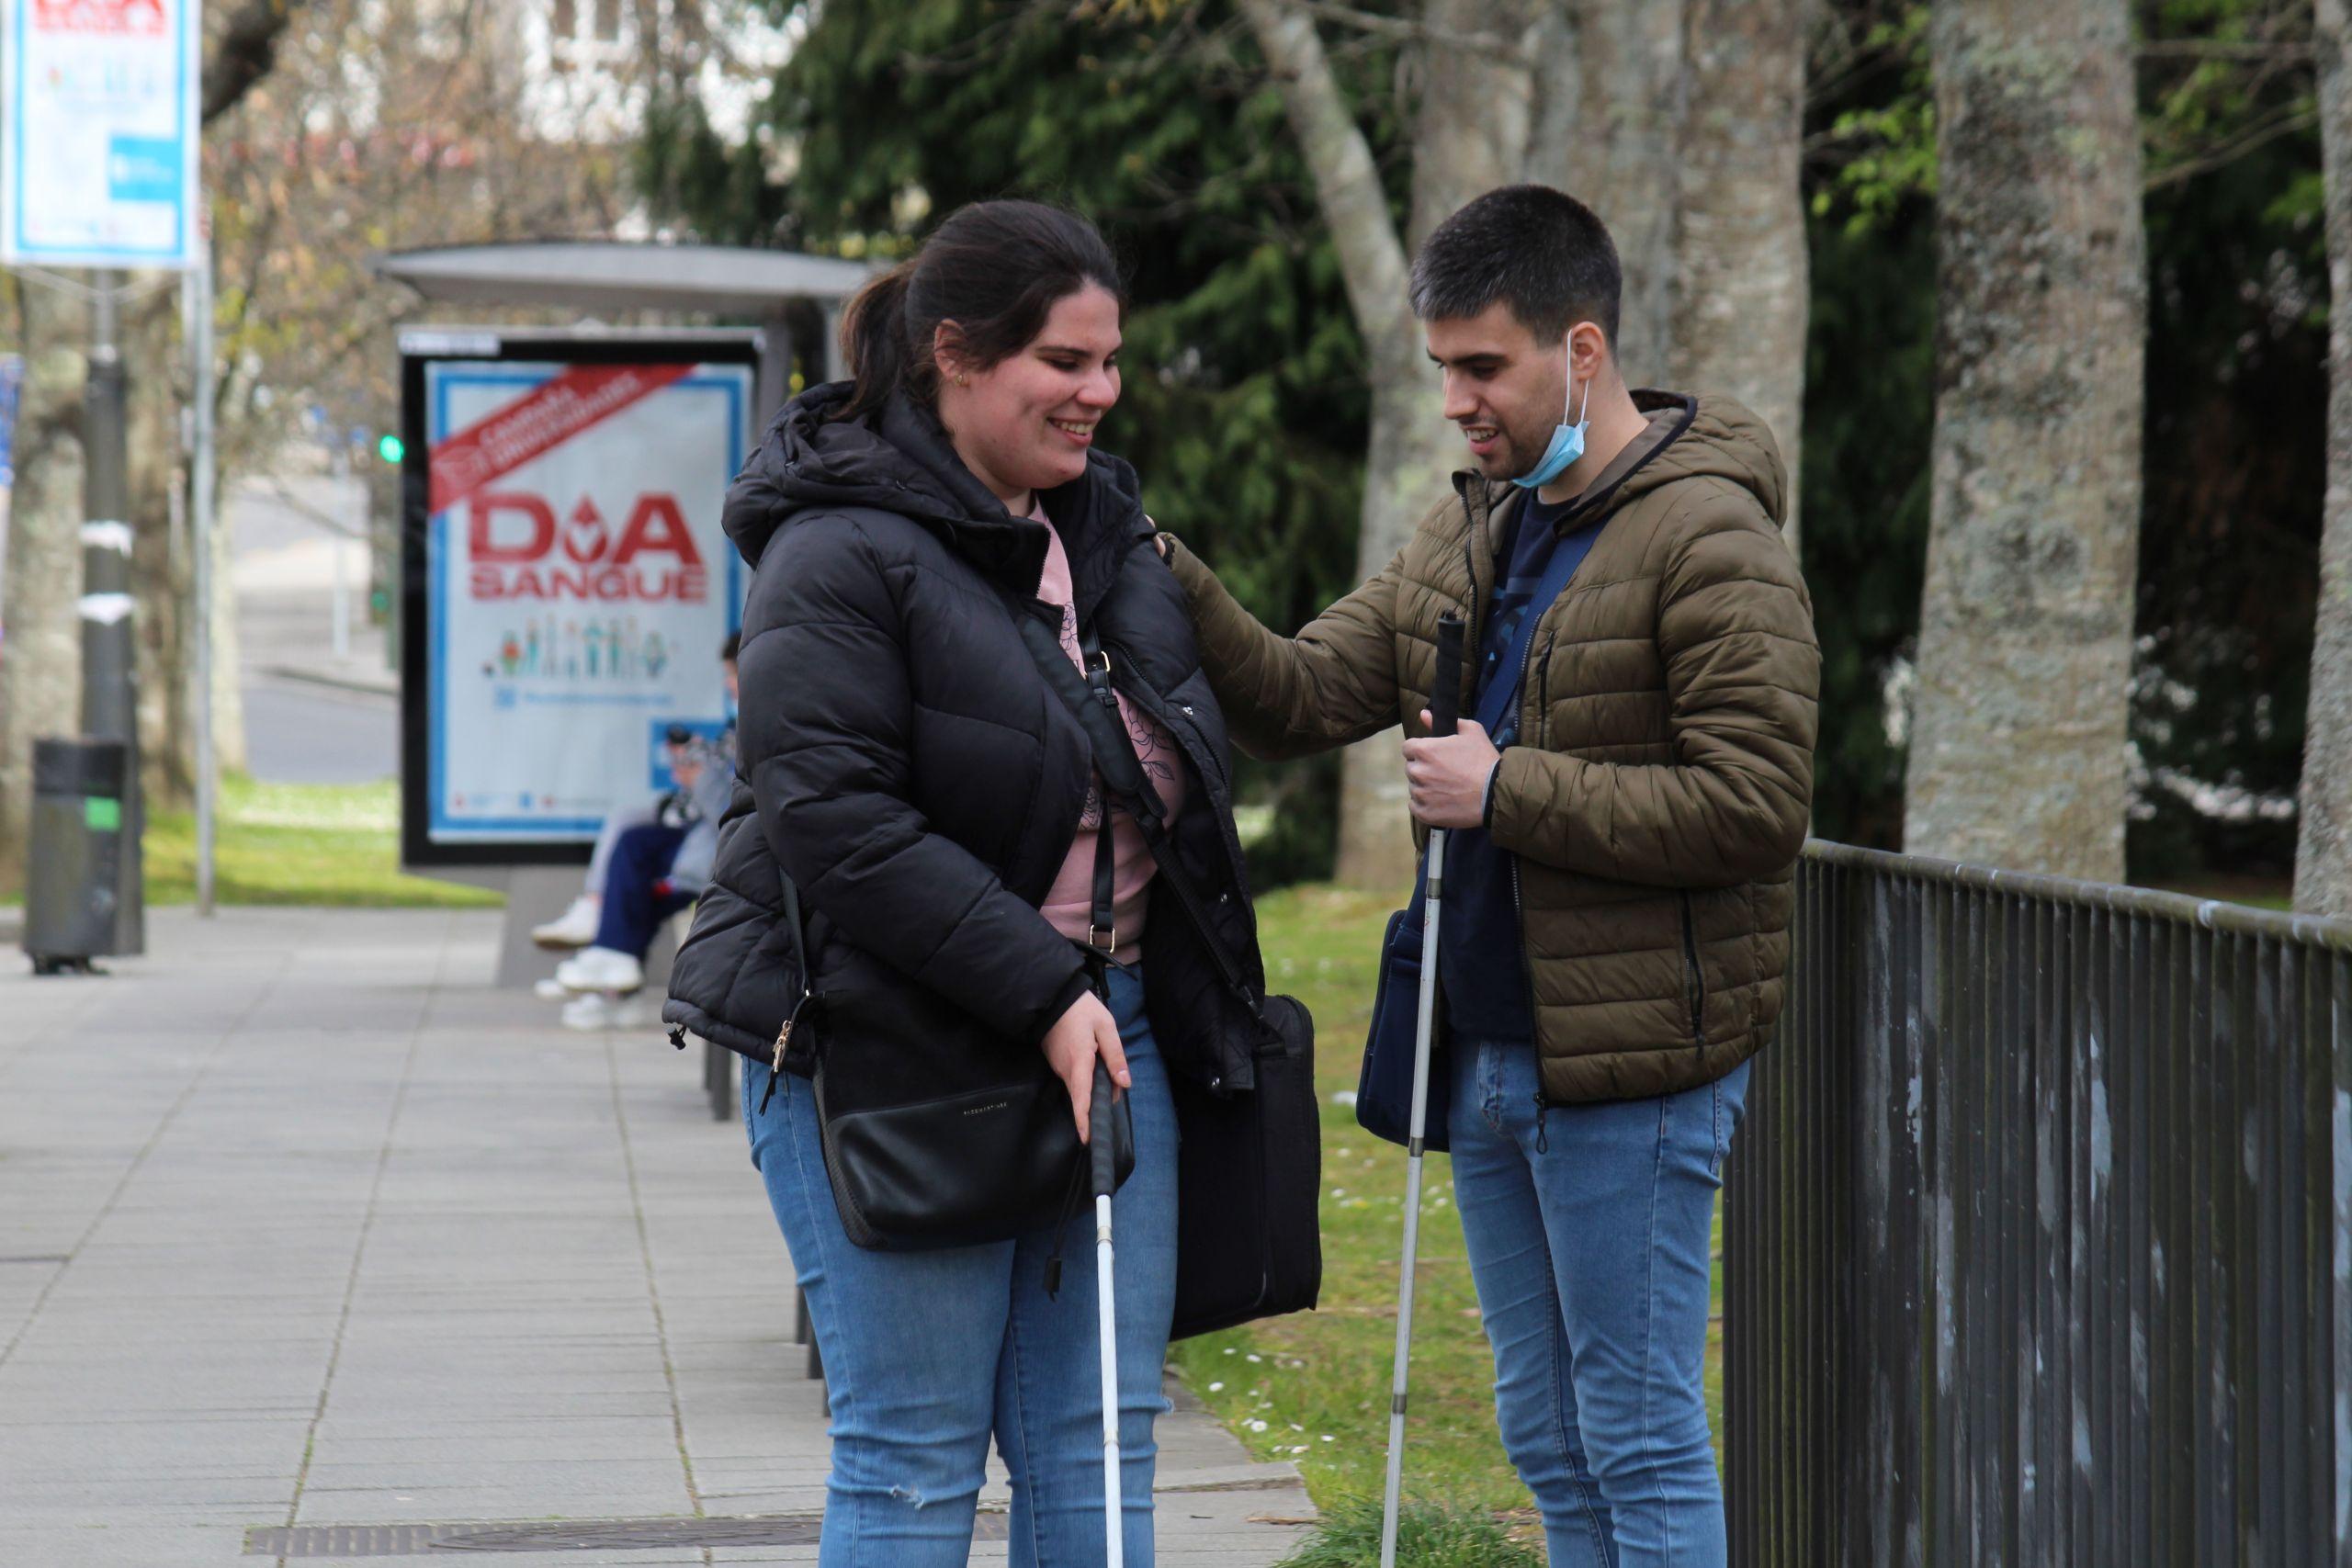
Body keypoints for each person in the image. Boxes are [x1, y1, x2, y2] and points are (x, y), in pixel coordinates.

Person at [1155, 185, 1818, 1567]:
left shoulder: (1712, 538)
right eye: (1442, 367)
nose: (1457, 401)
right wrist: (1156, 565)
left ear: (1582, 349)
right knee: (1547, 1433)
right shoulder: (1470, 531)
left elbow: (1757, 806)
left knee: (1637, 1433)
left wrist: (1504, 787)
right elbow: (1297, 693)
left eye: (1483, 367)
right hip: (1484, 1049)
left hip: (1633, 1066)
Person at [660, 198, 1274, 1568]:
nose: (1099, 392)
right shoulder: (834, 547)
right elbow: (835, 821)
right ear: (954, 353)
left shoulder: (1105, 533)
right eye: (1064, 361)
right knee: (915, 1459)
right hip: (893, 1040)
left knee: (1097, 1442)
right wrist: (1047, 992)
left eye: (1110, 361)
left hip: (1111, 1028)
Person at [533, 633, 741, 953]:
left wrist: (701, 779)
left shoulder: (761, 731)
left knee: (634, 852)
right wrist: (696, 769)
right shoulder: (739, 727)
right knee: (626, 825)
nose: (728, 684)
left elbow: (733, 813)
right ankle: (598, 922)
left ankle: (612, 955)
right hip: (698, 835)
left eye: (732, 674)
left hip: (714, 854)